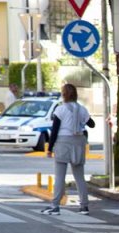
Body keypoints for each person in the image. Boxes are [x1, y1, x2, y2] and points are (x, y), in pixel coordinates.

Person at [40, 84, 95, 215]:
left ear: (64, 94)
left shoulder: (60, 109)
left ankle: (55, 206)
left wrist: (50, 148)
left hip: (63, 142)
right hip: (78, 142)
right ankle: (84, 206)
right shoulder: (82, 109)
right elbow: (92, 124)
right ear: (75, 94)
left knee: (60, 176)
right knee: (79, 176)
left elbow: (54, 130)